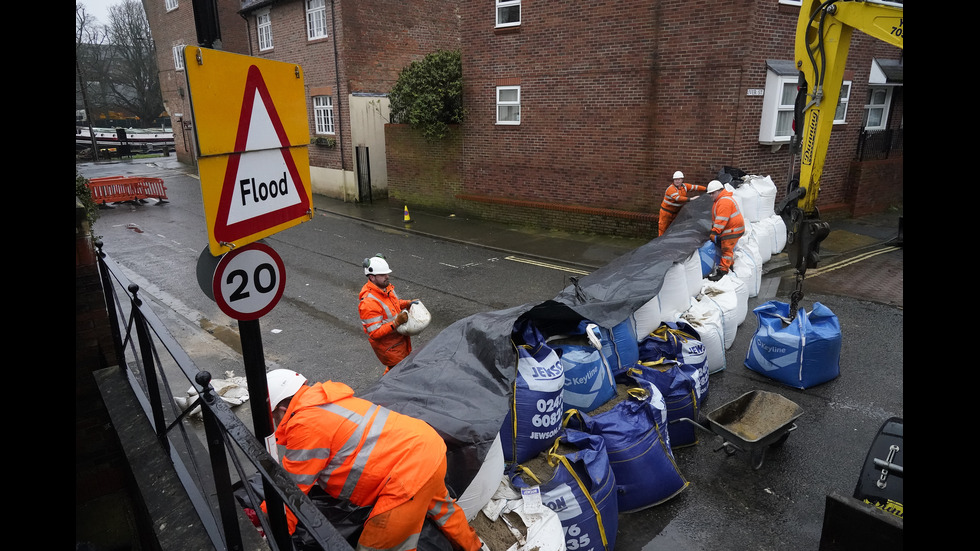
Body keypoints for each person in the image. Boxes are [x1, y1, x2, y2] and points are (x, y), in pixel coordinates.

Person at [262, 369, 483, 551]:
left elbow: (289, 491)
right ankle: (474, 547)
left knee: (376, 546)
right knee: (443, 509)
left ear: (282, 409)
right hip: (425, 448)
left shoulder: (305, 424)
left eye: (273, 416)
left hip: (407, 473)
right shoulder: (324, 401)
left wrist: (267, 528)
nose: (274, 422)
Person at [359, 255, 415, 373]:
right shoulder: (369, 302)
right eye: (383, 275)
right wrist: (396, 322)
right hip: (390, 349)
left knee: (397, 373)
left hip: (400, 342)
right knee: (398, 375)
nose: (387, 277)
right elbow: (374, 333)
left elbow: (393, 305)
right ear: (372, 277)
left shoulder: (386, 288)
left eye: (387, 273)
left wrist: (407, 303)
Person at [706, 179, 745, 281]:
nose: (711, 196)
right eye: (710, 194)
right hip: (731, 229)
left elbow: (721, 220)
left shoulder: (724, 202)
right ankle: (729, 265)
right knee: (726, 248)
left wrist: (714, 233)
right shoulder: (720, 200)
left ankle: (722, 271)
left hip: (732, 230)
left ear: (719, 190)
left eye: (713, 193)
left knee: (726, 249)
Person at [658, 170, 707, 236]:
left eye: (679, 179)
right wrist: (690, 199)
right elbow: (678, 198)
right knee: (663, 229)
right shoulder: (671, 189)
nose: (677, 181)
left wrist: (706, 189)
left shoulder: (685, 186)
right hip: (666, 213)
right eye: (675, 180)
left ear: (682, 180)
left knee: (672, 230)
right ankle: (660, 243)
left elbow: (695, 187)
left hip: (675, 213)